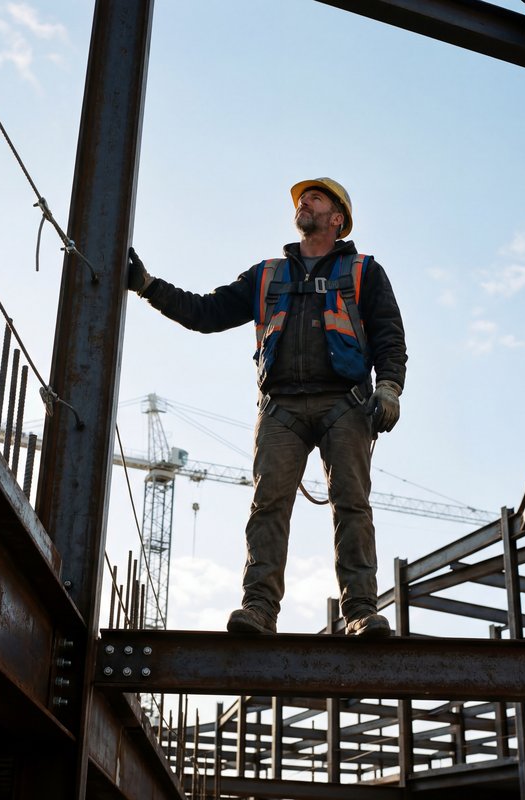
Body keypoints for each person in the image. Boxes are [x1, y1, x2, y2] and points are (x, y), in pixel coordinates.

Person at [127, 178, 407, 637]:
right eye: (302, 198)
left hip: (345, 404)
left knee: (352, 506)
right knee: (267, 508)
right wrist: (149, 286)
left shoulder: (364, 271)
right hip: (281, 409)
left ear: (337, 218)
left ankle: (359, 612)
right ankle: (259, 608)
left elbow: (389, 335)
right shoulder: (268, 275)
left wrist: (390, 387)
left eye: (315, 198)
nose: (304, 202)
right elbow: (206, 313)